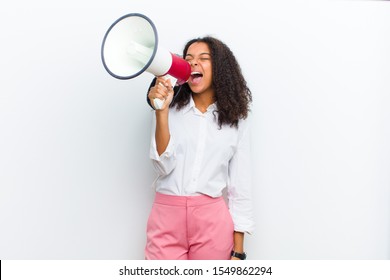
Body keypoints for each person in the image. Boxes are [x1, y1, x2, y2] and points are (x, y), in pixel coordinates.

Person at [145, 36, 254, 260]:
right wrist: (161, 112)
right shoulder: (169, 107)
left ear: (221, 69)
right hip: (166, 217)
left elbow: (240, 185)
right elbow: (162, 166)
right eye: (188, 59)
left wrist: (238, 251)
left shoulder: (235, 120)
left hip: (212, 222)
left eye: (204, 58)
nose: (194, 63)